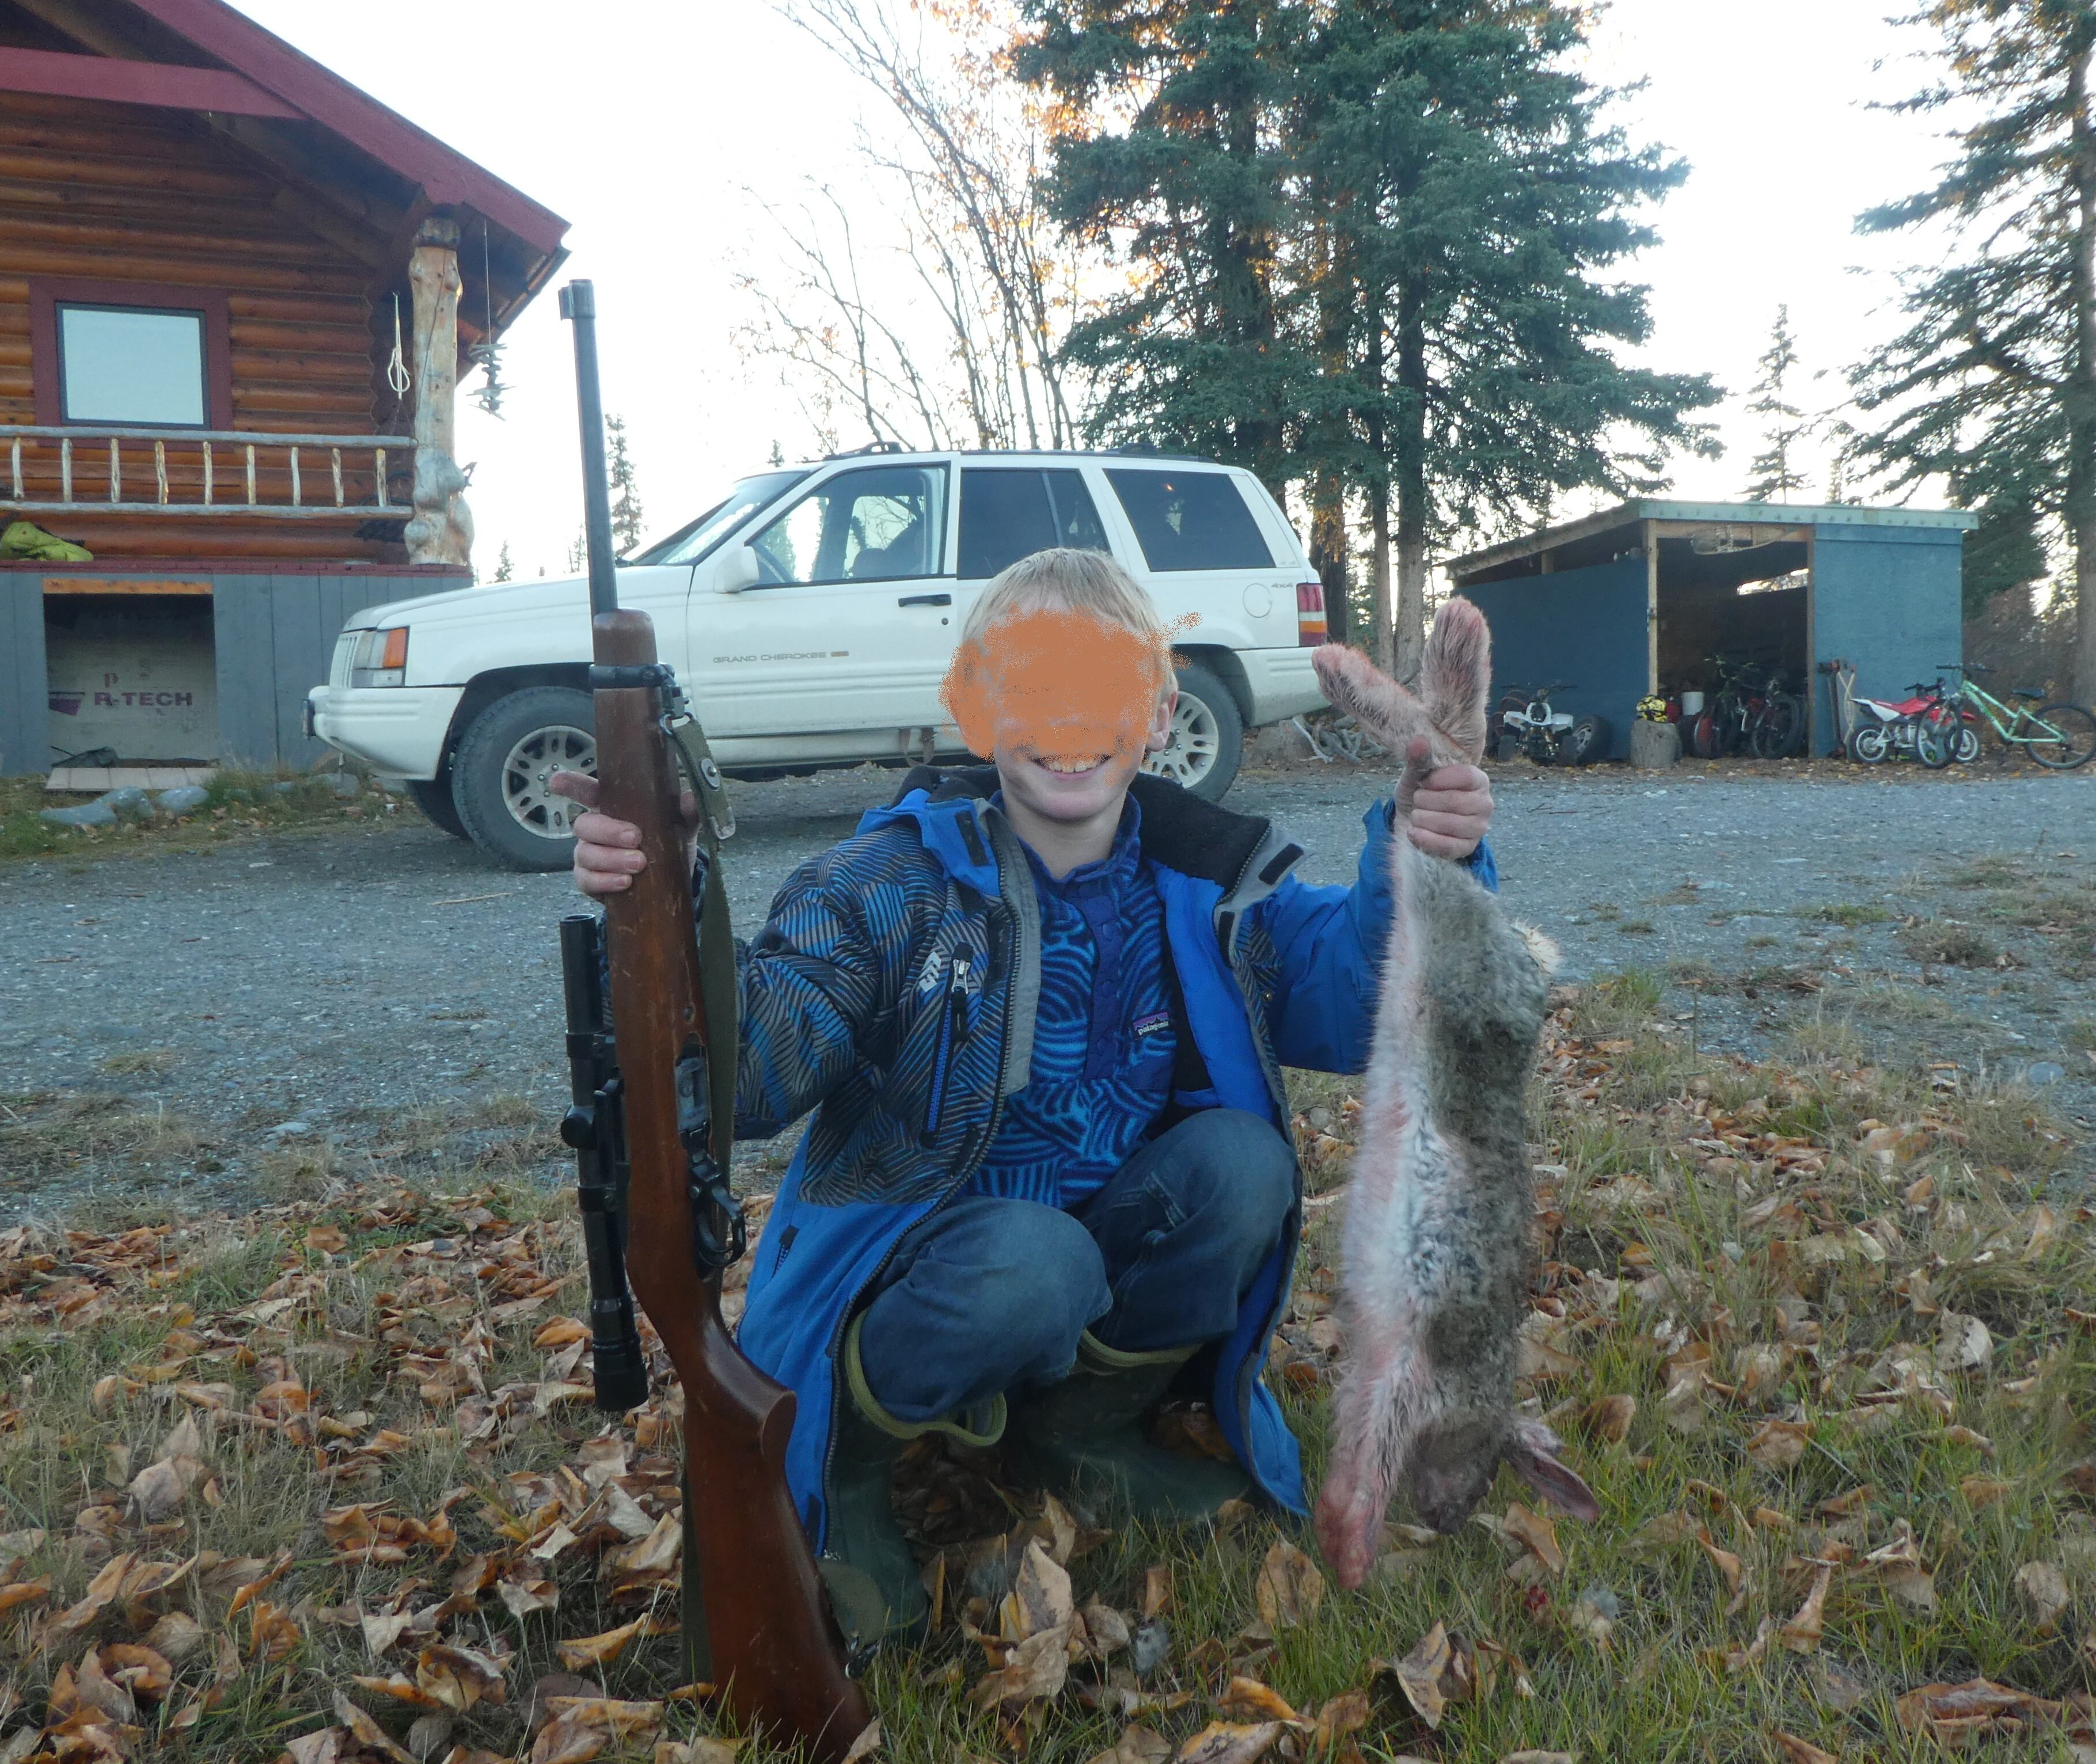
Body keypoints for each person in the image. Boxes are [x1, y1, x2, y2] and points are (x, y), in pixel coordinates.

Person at [552, 546, 1498, 1643]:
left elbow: (1365, 1001)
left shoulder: (1210, 881)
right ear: (973, 710)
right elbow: (751, 1071)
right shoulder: (889, 884)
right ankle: (855, 1468)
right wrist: (670, 907)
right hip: (932, 1267)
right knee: (1032, 1260)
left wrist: (1425, 860)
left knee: (1243, 1166)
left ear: (1156, 715)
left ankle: (1081, 1429)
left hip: (1097, 1251)